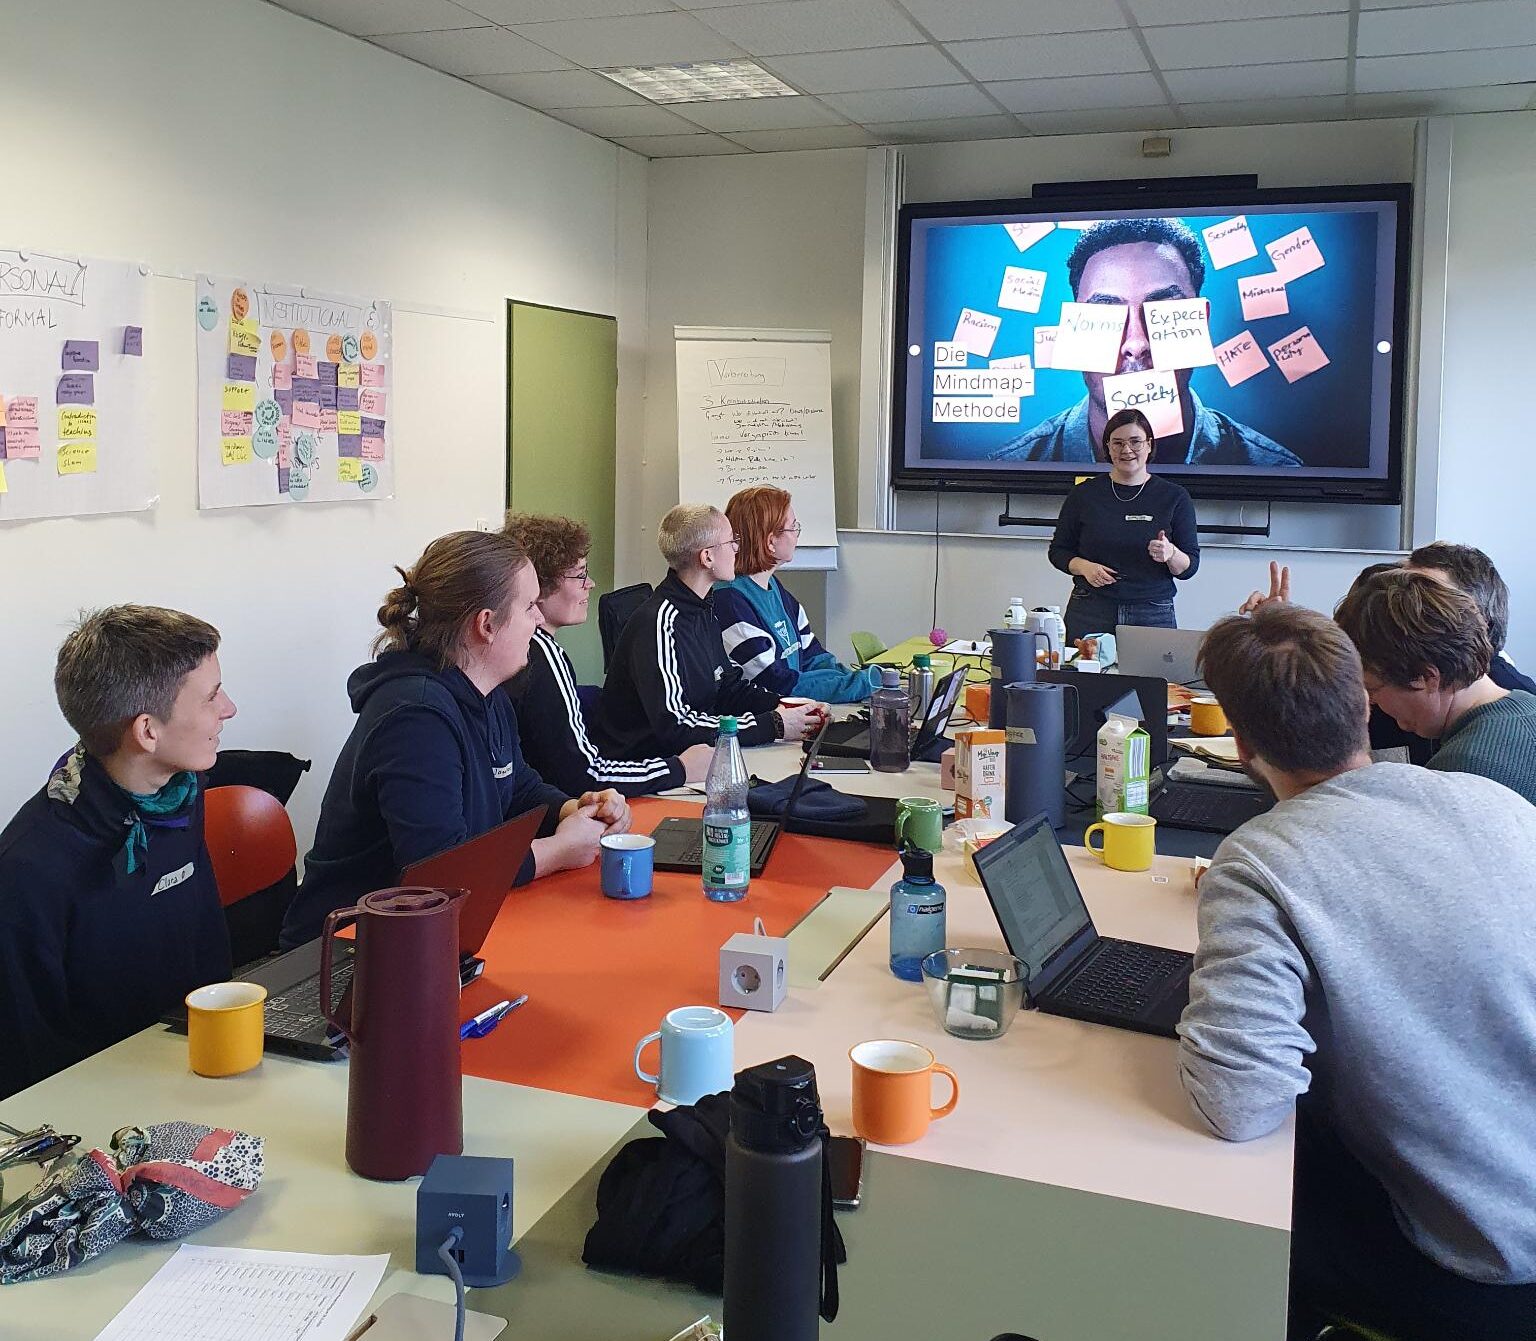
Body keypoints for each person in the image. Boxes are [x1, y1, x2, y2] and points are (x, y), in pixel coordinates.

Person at [1179, 604, 1536, 1341]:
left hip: (1480, 1264)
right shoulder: (1497, 805)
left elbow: (1237, 1105)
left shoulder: (1261, 860)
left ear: (1241, 742)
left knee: (1212, 1210)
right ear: (1363, 703)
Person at [281, 531, 629, 950]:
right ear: (486, 624)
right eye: (529, 606)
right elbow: (441, 873)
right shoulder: (416, 716)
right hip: (346, 951)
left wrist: (577, 808)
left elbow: (517, 785)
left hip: (429, 935)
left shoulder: (487, 691)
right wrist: (556, 851)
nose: (539, 619)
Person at [0, 606, 236, 1099]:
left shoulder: (180, 797)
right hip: (102, 1109)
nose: (229, 708)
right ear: (147, 731)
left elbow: (205, 955)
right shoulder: (31, 867)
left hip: (197, 1069)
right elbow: (29, 1061)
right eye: (211, 698)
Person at [991, 218, 1301, 467]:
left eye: (1162, 309)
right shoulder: (1007, 467)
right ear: (1074, 329)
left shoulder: (1276, 469)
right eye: (1106, 313)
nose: (1137, 343)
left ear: (1200, 321)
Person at [501, 512, 712, 796]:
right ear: (538, 585)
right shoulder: (542, 655)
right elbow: (584, 776)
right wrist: (680, 768)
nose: (591, 584)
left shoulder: (530, 649)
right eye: (579, 575)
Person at [594, 504, 825, 761]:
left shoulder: (704, 607)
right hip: (654, 769)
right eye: (730, 541)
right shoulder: (658, 624)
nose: (738, 548)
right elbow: (676, 726)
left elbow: (727, 687)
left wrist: (782, 706)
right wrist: (774, 725)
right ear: (707, 557)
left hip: (696, 757)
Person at [1334, 566, 1536, 804]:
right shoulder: (1527, 705)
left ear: (1427, 677)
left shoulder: (1461, 773)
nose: (1369, 702)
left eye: (1373, 688)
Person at [1047, 408, 1201, 642]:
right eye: (1117, 443)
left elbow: (1189, 567)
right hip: (1089, 608)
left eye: (1135, 442)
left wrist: (1170, 554)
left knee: (1153, 679)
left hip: (1152, 612)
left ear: (1149, 445)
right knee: (1084, 678)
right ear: (1107, 447)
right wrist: (1084, 567)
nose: (1126, 450)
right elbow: (1058, 551)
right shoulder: (1084, 494)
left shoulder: (1175, 497)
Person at [714, 486, 876, 703]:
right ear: (771, 542)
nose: (797, 534)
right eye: (793, 527)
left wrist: (854, 680)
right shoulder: (730, 600)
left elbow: (813, 657)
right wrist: (863, 683)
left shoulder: (773, 586)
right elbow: (775, 684)